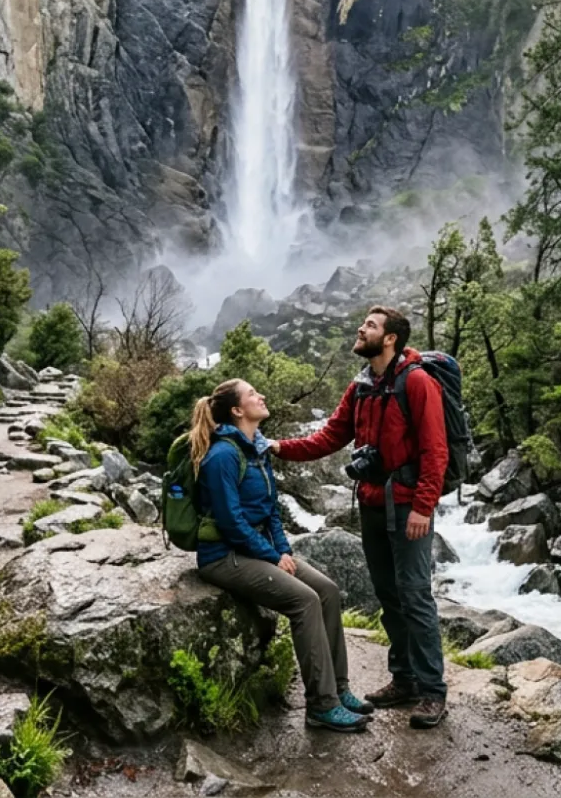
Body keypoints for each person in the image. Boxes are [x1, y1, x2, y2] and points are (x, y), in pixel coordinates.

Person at [273, 306, 450, 728]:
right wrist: (277, 447)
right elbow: (329, 437)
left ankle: (432, 692)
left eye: (370, 325)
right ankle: (404, 679)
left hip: (407, 506)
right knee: (389, 595)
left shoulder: (417, 382)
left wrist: (423, 506)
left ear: (390, 339)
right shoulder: (361, 386)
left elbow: (435, 450)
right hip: (372, 503)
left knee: (415, 595)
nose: (361, 328)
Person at [188, 378, 372, 733]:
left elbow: (271, 510)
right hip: (223, 556)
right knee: (305, 601)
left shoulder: (257, 449)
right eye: (253, 394)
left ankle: (338, 688)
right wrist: (272, 557)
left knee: (327, 591)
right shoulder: (223, 455)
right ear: (237, 410)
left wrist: (283, 551)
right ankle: (321, 706)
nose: (261, 395)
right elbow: (230, 521)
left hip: (256, 551)